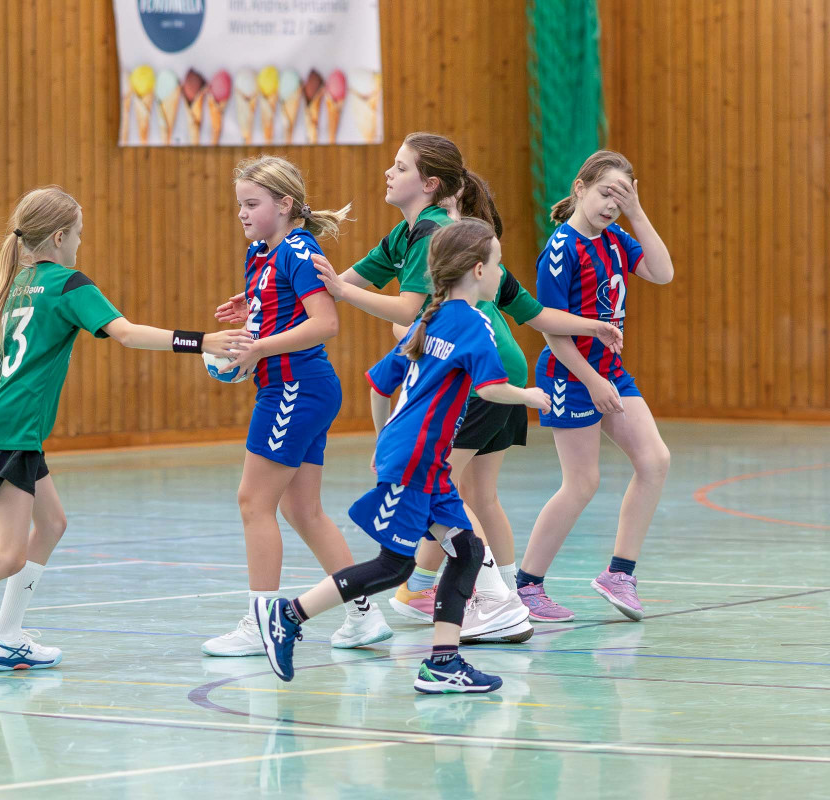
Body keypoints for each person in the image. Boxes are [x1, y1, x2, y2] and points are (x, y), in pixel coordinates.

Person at [0, 186, 251, 680]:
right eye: (79, 235)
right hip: (11, 428)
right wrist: (202, 342)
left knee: (51, 524)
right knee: (7, 554)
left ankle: (6, 639)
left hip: (5, 422)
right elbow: (127, 334)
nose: (80, 244)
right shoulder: (68, 284)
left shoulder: (19, 281)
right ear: (59, 237)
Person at [308, 133, 622, 641]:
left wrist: (343, 293)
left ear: (431, 184)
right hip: (496, 370)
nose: (388, 173)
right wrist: (268, 304)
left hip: (477, 376)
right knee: (477, 494)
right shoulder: (412, 234)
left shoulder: (436, 235)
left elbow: (407, 310)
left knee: (442, 489)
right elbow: (337, 286)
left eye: (400, 166)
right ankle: (500, 592)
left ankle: (485, 597)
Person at [253, 218, 551, 692]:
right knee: (395, 565)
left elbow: (378, 384)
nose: (500, 274)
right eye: (497, 264)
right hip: (418, 458)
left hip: (418, 457)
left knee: (468, 550)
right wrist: (530, 396)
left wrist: (383, 439)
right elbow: (492, 389)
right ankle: (288, 615)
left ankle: (443, 663)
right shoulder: (474, 324)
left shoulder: (428, 319)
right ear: (478, 270)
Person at [202, 155, 392, 658]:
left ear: (285, 204)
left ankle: (261, 623)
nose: (242, 213)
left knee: (253, 502)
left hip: (294, 387)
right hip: (299, 388)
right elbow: (283, 305)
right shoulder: (262, 252)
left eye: (252, 204)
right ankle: (363, 615)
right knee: (302, 510)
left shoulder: (299, 250)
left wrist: (260, 347)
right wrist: (253, 307)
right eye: (239, 205)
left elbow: (325, 322)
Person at [516, 150, 674, 623]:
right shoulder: (561, 250)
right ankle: (527, 585)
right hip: (570, 375)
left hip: (610, 371)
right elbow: (551, 328)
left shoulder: (616, 239)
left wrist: (637, 213)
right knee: (582, 482)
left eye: (621, 198)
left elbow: (663, 273)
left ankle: (619, 574)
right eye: (606, 193)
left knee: (655, 461)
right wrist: (592, 380)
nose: (611, 205)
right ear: (580, 188)